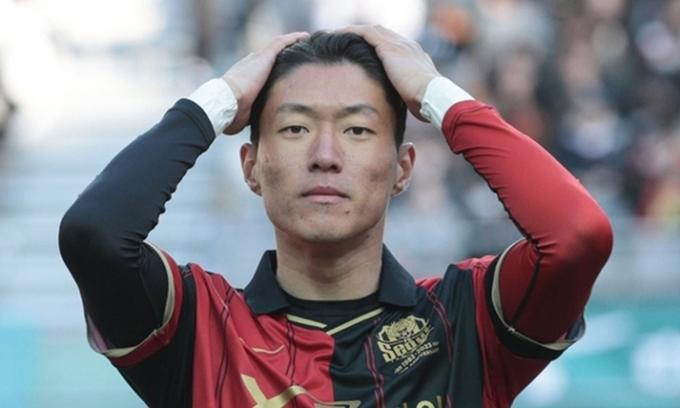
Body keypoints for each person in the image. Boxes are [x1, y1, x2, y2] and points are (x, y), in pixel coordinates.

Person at [58, 26, 613, 408]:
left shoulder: (467, 321)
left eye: (357, 129)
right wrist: (217, 100)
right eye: (295, 128)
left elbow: (577, 236)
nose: (325, 154)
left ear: (402, 169)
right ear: (251, 167)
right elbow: (95, 235)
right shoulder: (200, 330)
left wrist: (436, 94)